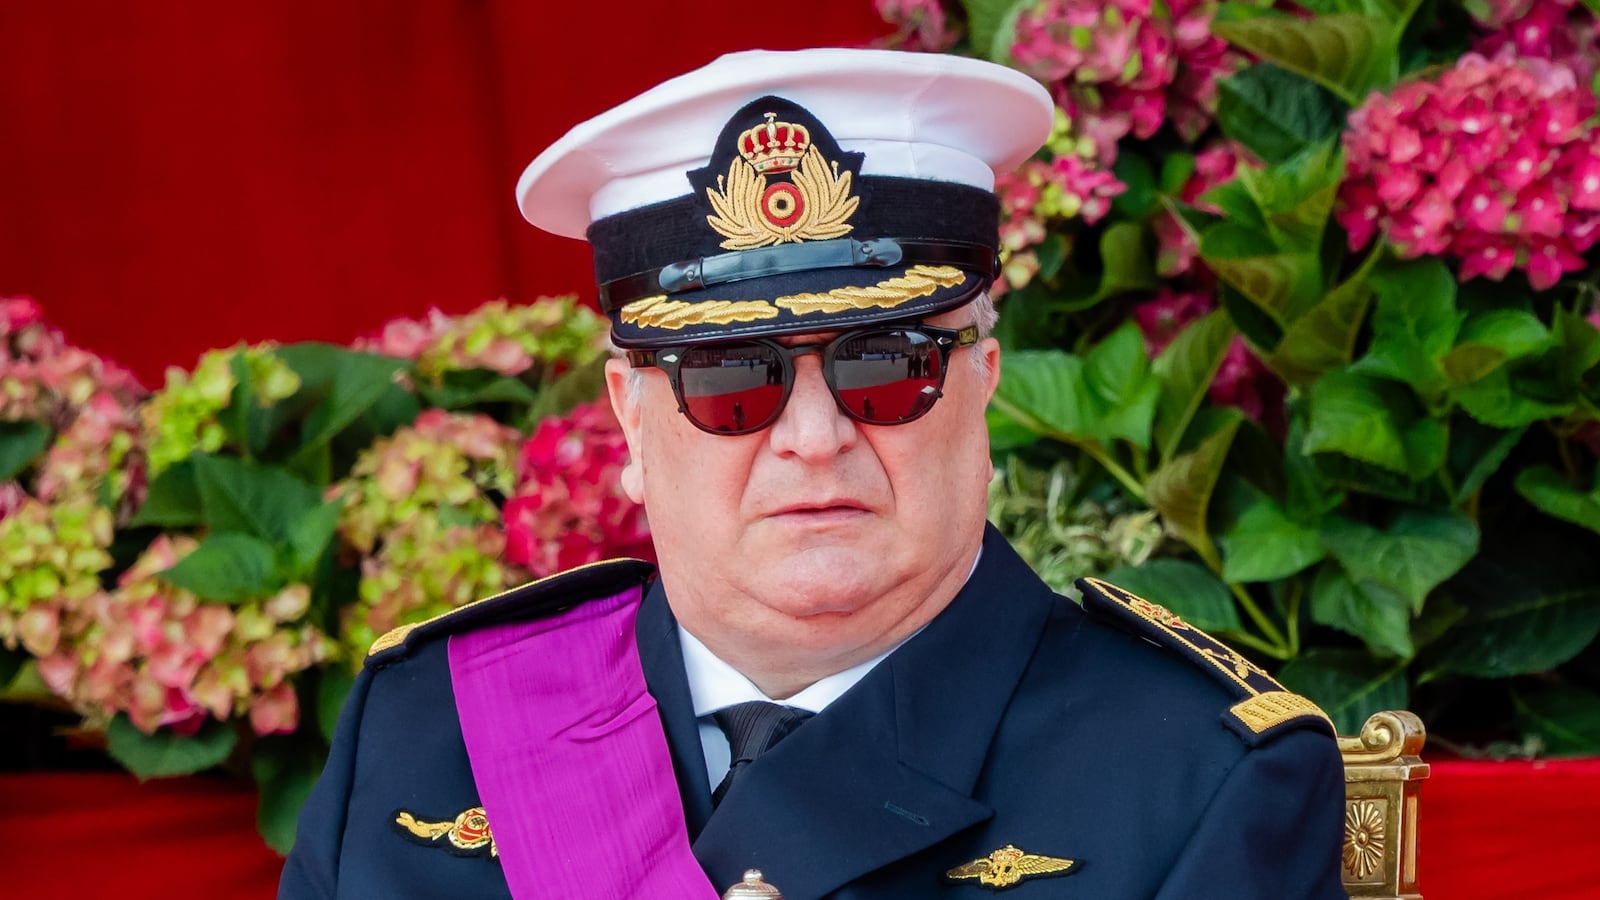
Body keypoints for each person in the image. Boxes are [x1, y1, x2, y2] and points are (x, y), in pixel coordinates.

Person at [279, 48, 1346, 899]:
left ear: (982, 382)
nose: (812, 434)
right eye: (731, 379)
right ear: (628, 419)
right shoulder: (427, 728)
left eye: (884, 366)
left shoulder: (1197, 778)